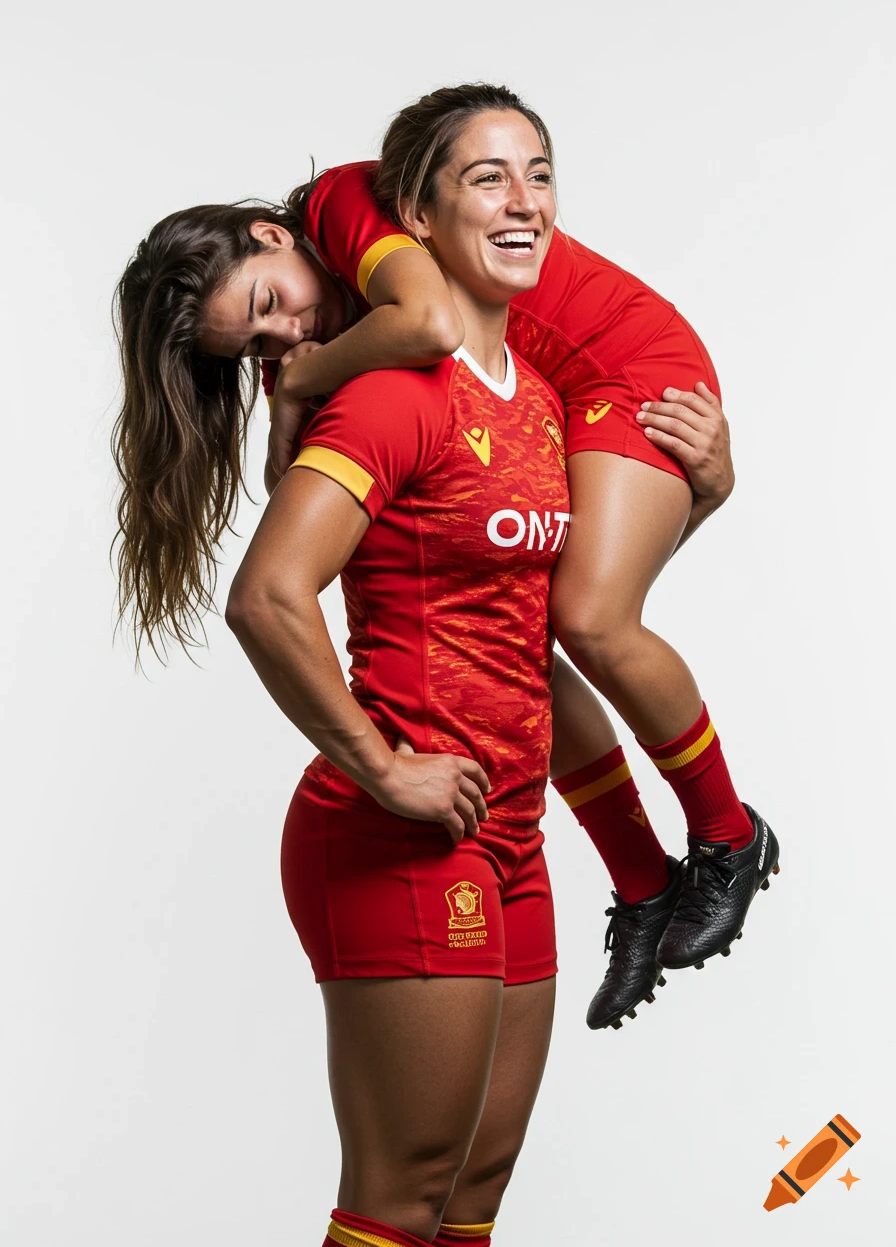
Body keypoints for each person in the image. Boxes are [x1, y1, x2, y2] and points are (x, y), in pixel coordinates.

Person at [114, 86, 779, 1041]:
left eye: (271, 307)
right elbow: (296, 487)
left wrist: (301, 377)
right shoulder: (315, 326)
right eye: (254, 346)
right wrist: (291, 388)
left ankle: (727, 836)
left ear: (275, 231)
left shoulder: (342, 205)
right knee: (526, 640)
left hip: (630, 373)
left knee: (590, 619)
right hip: (558, 398)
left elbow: (428, 326)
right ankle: (643, 884)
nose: (284, 338)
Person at [224, 97, 569, 1247]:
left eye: (539, 174)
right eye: (486, 179)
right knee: (401, 1194)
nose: (520, 202)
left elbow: (548, 610)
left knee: (470, 1197)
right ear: (415, 215)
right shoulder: (384, 393)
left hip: (512, 825)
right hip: (404, 833)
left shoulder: (540, 397)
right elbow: (268, 594)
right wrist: (383, 769)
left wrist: (704, 487)